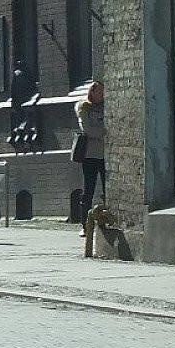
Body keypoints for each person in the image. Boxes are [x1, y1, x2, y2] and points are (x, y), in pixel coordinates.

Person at [76, 80, 107, 235]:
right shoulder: (84, 108)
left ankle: (107, 219)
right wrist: (104, 132)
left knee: (108, 188)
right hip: (90, 155)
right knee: (89, 189)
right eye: (99, 91)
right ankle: (85, 225)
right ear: (92, 92)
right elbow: (88, 129)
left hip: (106, 155)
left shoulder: (108, 106)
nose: (101, 94)